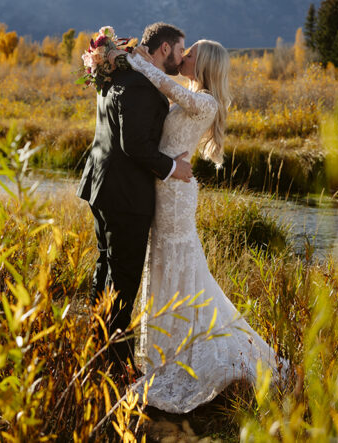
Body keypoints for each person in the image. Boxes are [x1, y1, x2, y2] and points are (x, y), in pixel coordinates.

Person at [120, 39, 288, 413]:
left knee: (178, 267)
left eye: (190, 53)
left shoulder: (206, 100)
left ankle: (185, 354)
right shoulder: (191, 94)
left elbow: (165, 86)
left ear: (204, 63)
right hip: (165, 188)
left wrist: (137, 61)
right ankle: (164, 351)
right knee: (166, 266)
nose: (183, 57)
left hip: (176, 197)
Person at [77, 22, 194, 375]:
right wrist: (174, 167)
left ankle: (96, 349)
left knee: (105, 270)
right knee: (124, 280)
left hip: (100, 185)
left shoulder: (119, 72)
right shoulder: (142, 85)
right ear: (163, 49)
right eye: (179, 49)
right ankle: (115, 365)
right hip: (125, 196)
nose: (182, 56)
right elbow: (136, 146)